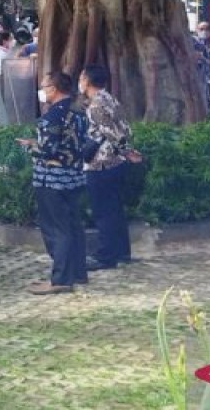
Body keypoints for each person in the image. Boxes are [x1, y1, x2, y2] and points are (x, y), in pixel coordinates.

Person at [16, 72, 88, 294]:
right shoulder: (79, 112)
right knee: (73, 226)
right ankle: (78, 272)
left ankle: (61, 279)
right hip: (74, 177)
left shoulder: (52, 116)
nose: (42, 91)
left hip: (51, 180)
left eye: (44, 87)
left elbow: (48, 150)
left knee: (57, 230)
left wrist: (30, 147)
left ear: (54, 89)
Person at [79, 65, 139, 271]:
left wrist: (127, 151)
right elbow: (125, 128)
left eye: (82, 78)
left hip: (101, 163)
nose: (80, 82)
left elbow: (112, 132)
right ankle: (122, 252)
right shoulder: (110, 99)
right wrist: (126, 152)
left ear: (87, 80)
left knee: (103, 211)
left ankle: (106, 256)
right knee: (115, 209)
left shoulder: (96, 104)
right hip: (115, 163)